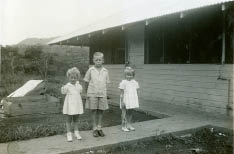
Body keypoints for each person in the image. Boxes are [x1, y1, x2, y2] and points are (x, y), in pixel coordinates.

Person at [84, 52, 110, 137]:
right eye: (96, 60)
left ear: (103, 60)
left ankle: (99, 128)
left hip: (102, 94)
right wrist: (86, 93)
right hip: (92, 93)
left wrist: (106, 94)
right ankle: (94, 128)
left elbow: (106, 83)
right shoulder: (91, 70)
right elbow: (86, 81)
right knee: (94, 111)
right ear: (93, 60)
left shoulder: (105, 71)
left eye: (100, 60)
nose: (98, 61)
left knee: (101, 111)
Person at [61, 67, 83, 142]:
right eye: (71, 77)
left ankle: (76, 132)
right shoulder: (67, 86)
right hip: (69, 105)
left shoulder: (79, 86)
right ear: (68, 77)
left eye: (75, 78)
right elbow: (63, 92)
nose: (73, 79)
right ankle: (69, 133)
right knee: (68, 120)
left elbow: (80, 92)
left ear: (77, 78)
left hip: (77, 105)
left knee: (76, 120)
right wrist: (63, 88)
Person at [119, 66, 139, 132]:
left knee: (130, 112)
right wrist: (122, 101)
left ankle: (129, 124)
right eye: (127, 75)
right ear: (125, 75)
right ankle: (123, 126)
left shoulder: (135, 83)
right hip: (125, 100)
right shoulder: (123, 83)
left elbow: (136, 92)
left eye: (131, 75)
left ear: (133, 75)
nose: (129, 77)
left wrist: (135, 100)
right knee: (124, 113)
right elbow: (121, 93)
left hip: (132, 100)